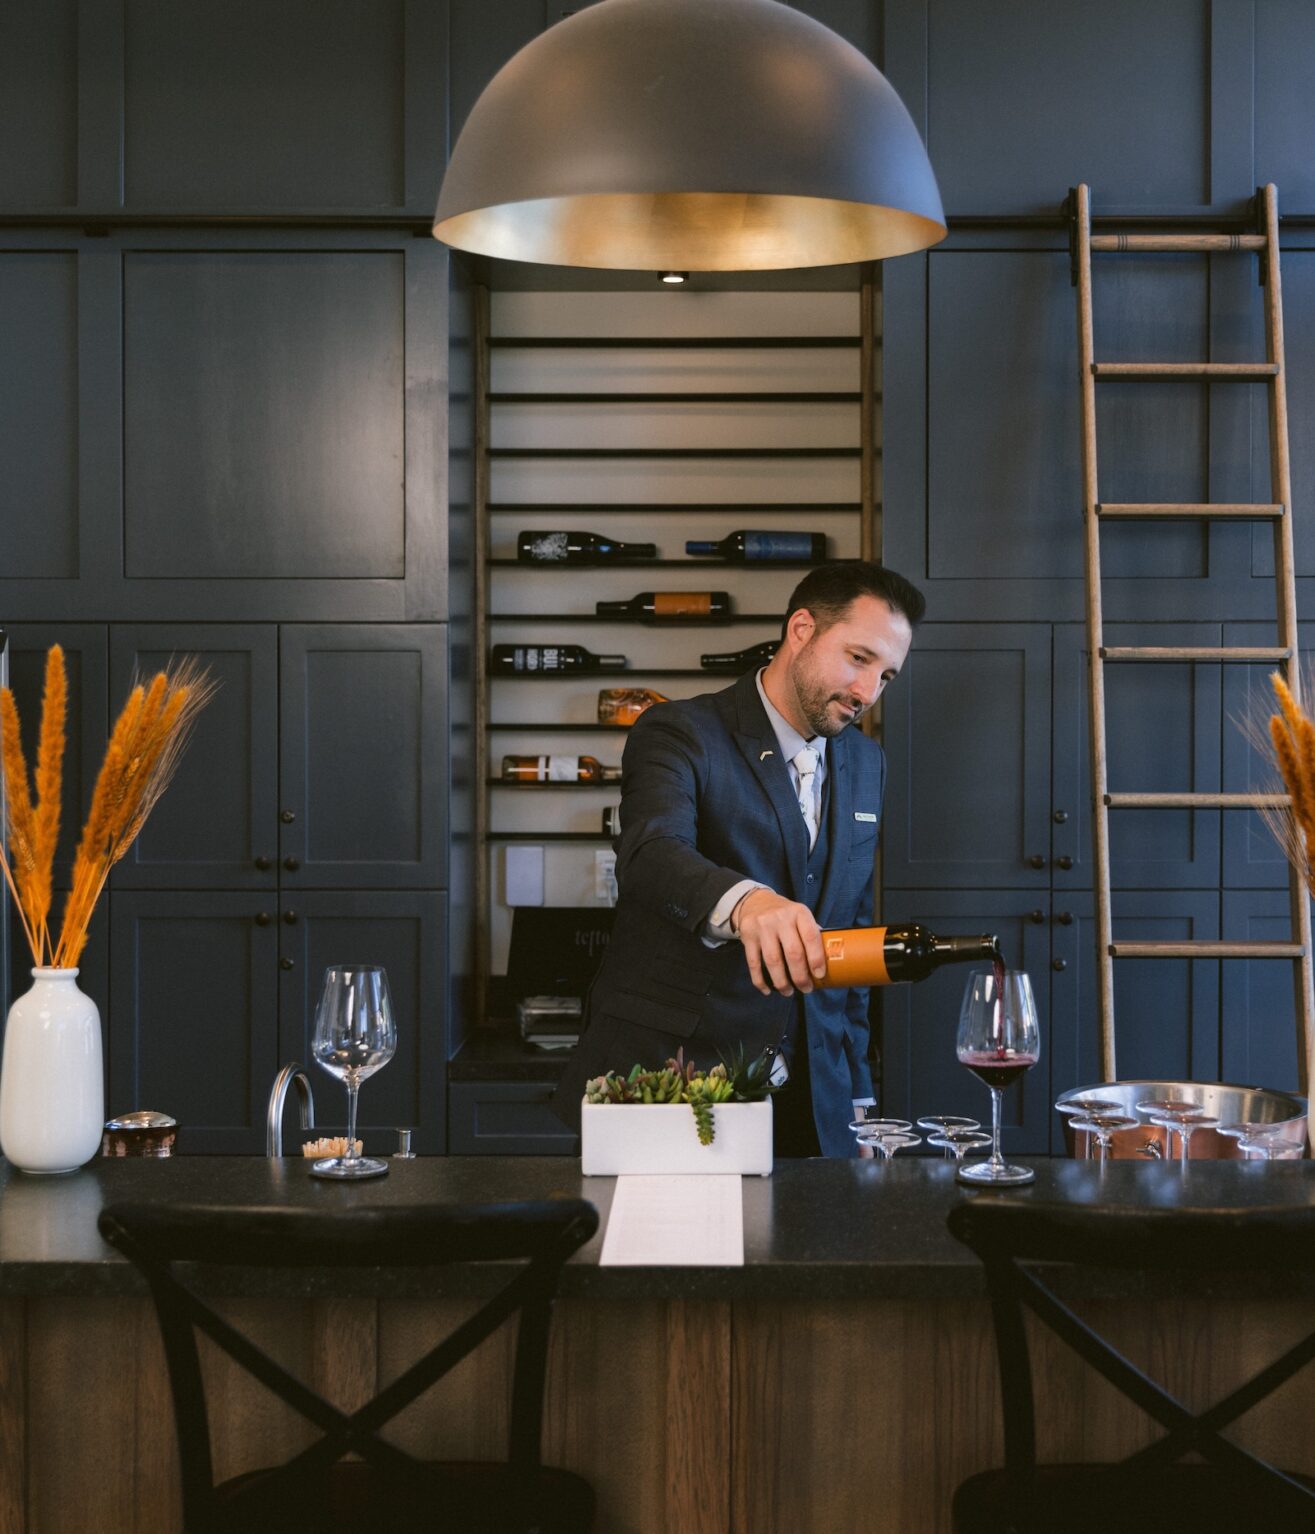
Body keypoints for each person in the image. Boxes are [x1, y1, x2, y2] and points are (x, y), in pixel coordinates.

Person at [551, 561, 925, 1157]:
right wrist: (748, 902)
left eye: (887, 676)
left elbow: (847, 930)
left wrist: (856, 1094)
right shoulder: (679, 731)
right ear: (800, 629)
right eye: (859, 659)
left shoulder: (867, 764)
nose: (867, 693)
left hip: (814, 1101)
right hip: (676, 1085)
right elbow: (651, 853)